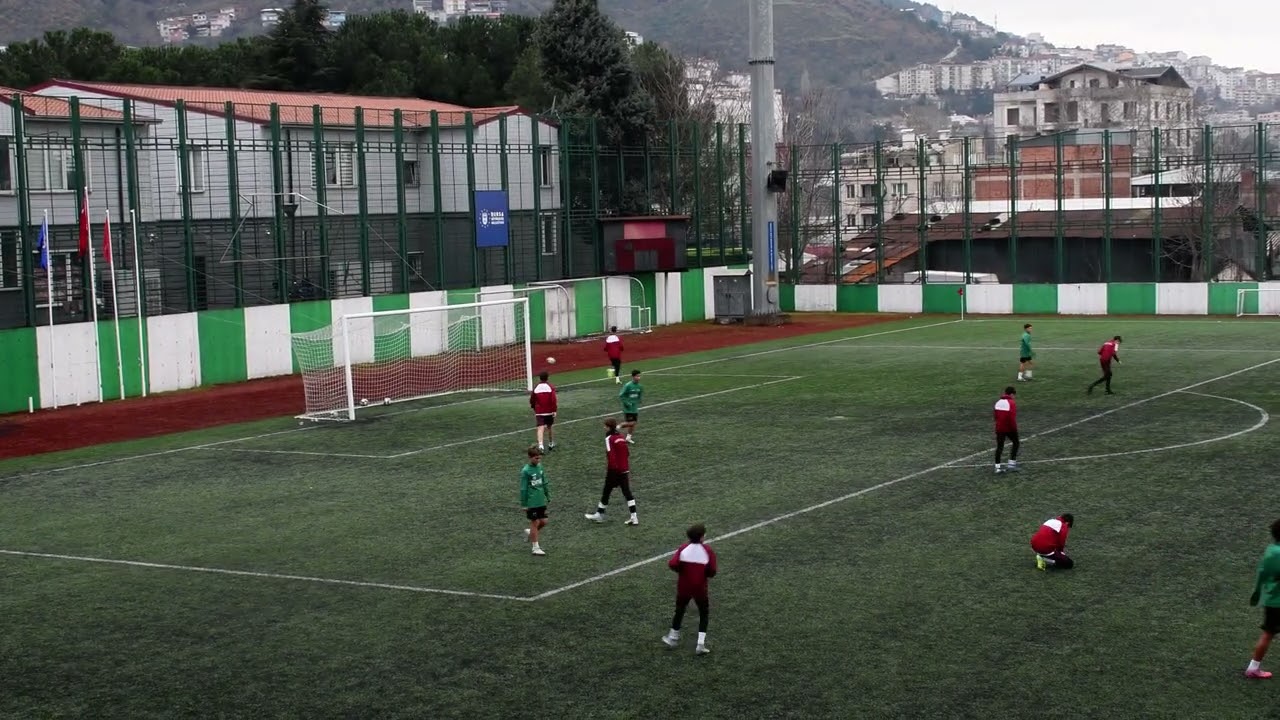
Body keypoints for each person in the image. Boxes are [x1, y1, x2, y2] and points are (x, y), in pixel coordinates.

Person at [662, 523, 718, 655]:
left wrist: (682, 571)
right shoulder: (707, 550)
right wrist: (703, 574)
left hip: (684, 586)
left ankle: (673, 637)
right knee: (703, 613)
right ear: (702, 537)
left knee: (679, 610)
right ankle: (700, 644)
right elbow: (712, 571)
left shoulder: (683, 548)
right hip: (700, 588)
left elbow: (672, 564)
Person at [585, 418, 639, 525]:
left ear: (609, 427)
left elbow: (611, 455)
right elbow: (627, 453)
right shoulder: (621, 437)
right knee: (627, 492)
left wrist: (612, 470)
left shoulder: (609, 438)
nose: (604, 428)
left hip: (614, 470)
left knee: (607, 491)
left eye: (605, 426)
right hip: (624, 469)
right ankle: (634, 517)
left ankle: (600, 514)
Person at [1246, 518, 1280, 679]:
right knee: (1268, 633)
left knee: (1268, 633)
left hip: (1271, 600)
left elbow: (1262, 575)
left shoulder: (1271, 550)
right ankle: (1253, 668)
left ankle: (1253, 667)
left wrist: (1257, 595)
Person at [519, 446, 550, 556]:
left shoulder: (540, 467)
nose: (538, 460)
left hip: (540, 500)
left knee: (544, 521)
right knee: (535, 522)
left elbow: (544, 481)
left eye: (539, 458)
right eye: (536, 458)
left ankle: (530, 532)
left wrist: (547, 495)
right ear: (530, 457)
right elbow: (523, 488)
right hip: (532, 501)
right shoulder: (526, 471)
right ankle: (535, 548)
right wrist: (524, 504)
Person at [994, 386, 1020, 474]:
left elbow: (995, 416)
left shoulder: (998, 402)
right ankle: (1011, 464)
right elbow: (1012, 418)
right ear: (1012, 394)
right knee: (1016, 442)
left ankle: (997, 467)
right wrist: (1014, 428)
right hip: (1009, 428)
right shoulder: (1011, 403)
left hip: (999, 428)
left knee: (999, 447)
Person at [530, 370, 557, 452]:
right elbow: (553, 399)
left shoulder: (536, 387)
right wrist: (554, 410)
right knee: (549, 427)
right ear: (547, 378)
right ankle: (551, 443)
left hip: (539, 411)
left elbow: (532, 399)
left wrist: (533, 407)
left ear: (540, 378)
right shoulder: (550, 387)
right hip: (549, 411)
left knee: (540, 428)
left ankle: (541, 446)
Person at [619, 370, 643, 443]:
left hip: (634, 408)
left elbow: (639, 395)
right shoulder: (628, 385)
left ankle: (628, 438)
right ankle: (617, 427)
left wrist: (639, 400)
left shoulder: (640, 386)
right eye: (637, 376)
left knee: (633, 423)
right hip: (628, 408)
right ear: (633, 376)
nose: (639, 377)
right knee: (632, 422)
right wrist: (627, 403)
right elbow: (621, 395)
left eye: (639, 376)